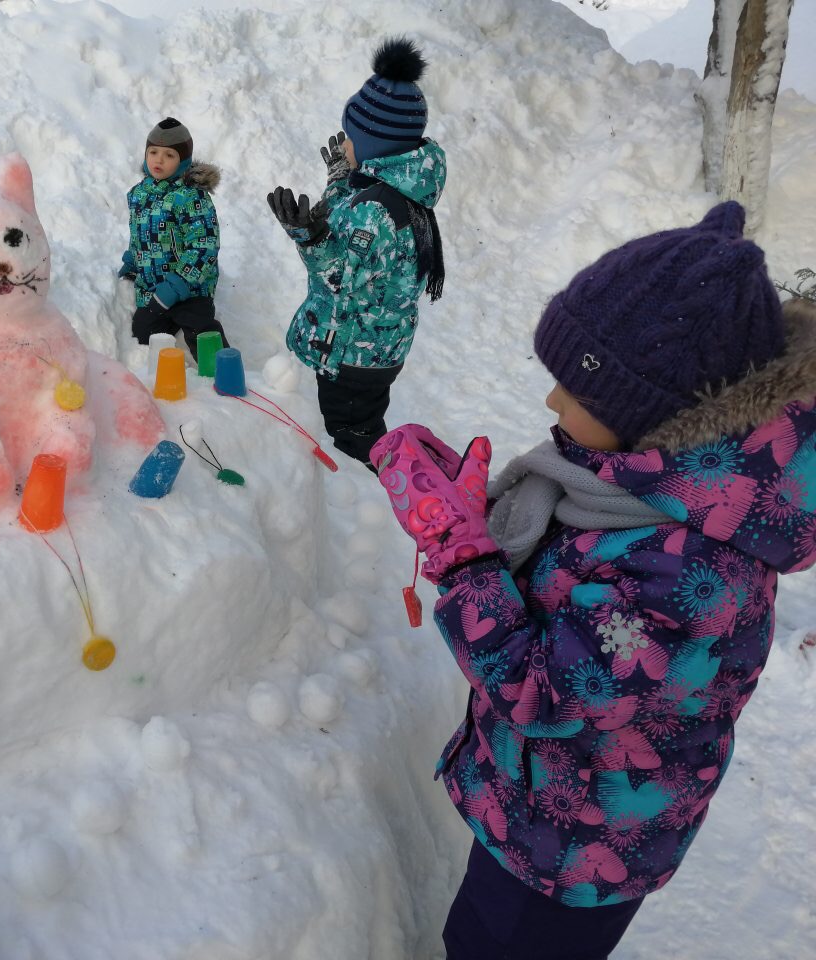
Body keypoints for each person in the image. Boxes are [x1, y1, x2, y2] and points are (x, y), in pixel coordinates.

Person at [374, 202, 816, 959]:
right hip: (537, 811)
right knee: (472, 933)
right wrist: (480, 517)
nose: (551, 404)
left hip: (577, 850)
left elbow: (542, 693)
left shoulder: (686, 574)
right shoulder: (635, 486)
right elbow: (568, 584)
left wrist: (464, 558)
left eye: (574, 393)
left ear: (652, 413)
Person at [268, 36, 445, 470]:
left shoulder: (375, 212)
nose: (344, 143)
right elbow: (356, 229)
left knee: (352, 436)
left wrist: (307, 236)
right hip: (377, 347)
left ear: (375, 145)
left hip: (354, 353)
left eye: (351, 138)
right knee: (363, 420)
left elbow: (339, 276)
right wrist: (340, 180)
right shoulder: (394, 188)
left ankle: (392, 491)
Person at [120, 118, 225, 365]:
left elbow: (204, 246)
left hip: (190, 288)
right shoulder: (138, 194)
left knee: (202, 328)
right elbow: (138, 237)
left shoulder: (191, 197)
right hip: (154, 291)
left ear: (183, 162)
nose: (159, 160)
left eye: (169, 155)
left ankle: (223, 373)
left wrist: (176, 286)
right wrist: (132, 263)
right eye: (153, 152)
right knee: (141, 333)